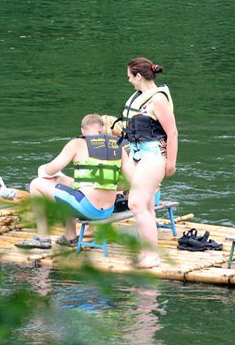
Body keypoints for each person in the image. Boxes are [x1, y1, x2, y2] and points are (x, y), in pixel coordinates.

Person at [15, 114, 125, 249]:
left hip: (88, 208)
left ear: (83, 131)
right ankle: (69, 236)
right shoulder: (117, 145)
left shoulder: (77, 143)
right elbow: (131, 180)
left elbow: (50, 170)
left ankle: (42, 238)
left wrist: (46, 170)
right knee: (65, 183)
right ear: (102, 129)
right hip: (108, 209)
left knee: (36, 184)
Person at [119, 57, 178, 268]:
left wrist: (171, 162)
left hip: (154, 155)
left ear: (139, 75)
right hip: (138, 154)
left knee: (135, 203)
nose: (129, 81)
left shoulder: (157, 100)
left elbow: (172, 132)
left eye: (130, 77)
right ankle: (146, 254)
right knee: (146, 206)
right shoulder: (140, 96)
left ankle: (153, 256)